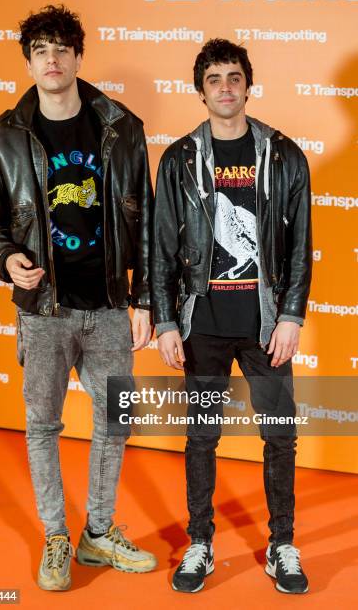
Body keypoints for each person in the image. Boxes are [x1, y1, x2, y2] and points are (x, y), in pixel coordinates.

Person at [0, 4, 156, 592]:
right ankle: (56, 534)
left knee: (115, 422)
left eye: (61, 49)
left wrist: (146, 299)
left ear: (78, 56)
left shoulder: (123, 128)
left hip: (107, 307)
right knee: (43, 425)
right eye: (41, 50)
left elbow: (146, 223)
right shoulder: (2, 137)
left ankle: (99, 534)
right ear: (28, 62)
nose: (52, 59)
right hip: (42, 313)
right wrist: (6, 258)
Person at [152, 39, 312, 595]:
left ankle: (282, 544)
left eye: (234, 77)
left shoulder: (285, 156)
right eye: (214, 78)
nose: (225, 86)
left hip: (266, 326)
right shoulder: (179, 159)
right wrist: (166, 320)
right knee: (201, 438)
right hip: (203, 324)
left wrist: (291, 314)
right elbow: (160, 249)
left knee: (280, 437)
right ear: (201, 91)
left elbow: (298, 248)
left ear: (248, 85)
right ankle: (200, 541)